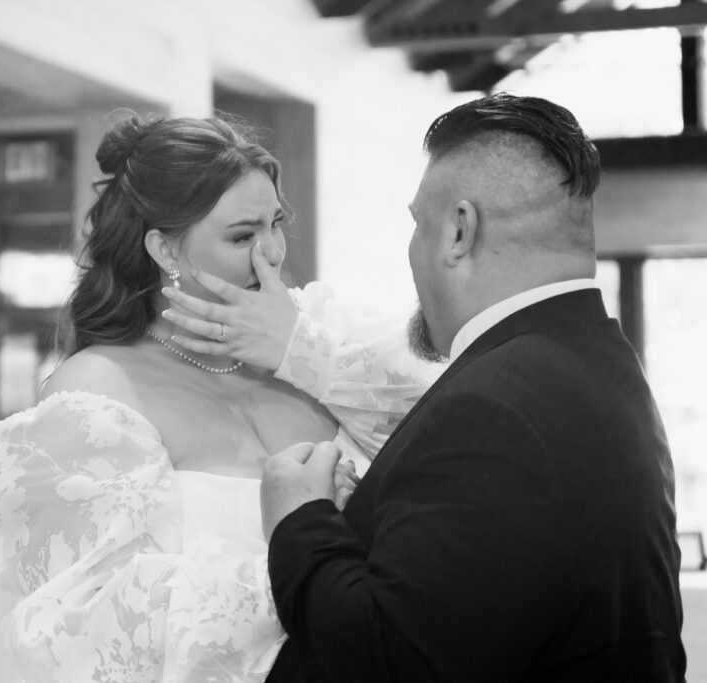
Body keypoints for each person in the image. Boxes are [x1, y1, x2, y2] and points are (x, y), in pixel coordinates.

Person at [0, 113, 427, 682]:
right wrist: (301, 542)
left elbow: (453, 421)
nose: (272, 252)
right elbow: (101, 633)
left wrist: (302, 353)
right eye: (243, 235)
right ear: (164, 250)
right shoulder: (99, 393)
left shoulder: (318, 339)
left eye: (275, 224)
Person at [261, 93, 687, 681]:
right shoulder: (603, 366)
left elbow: (395, 659)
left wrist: (300, 520)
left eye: (418, 224)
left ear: (459, 230)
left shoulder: (491, 405)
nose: (412, 252)